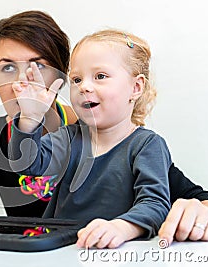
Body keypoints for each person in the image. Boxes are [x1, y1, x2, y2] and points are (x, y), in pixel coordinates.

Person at [0, 11, 208, 245]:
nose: (24, 81)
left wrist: (204, 214)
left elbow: (195, 201)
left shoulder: (113, 136)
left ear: (60, 78)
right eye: (7, 67)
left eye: (39, 66)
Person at [9, 29, 174, 248]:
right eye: (76, 79)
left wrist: (121, 228)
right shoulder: (69, 138)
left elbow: (155, 204)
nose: (84, 86)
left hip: (117, 254)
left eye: (100, 76)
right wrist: (30, 120)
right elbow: (26, 164)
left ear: (136, 88)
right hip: (61, 251)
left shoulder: (146, 146)